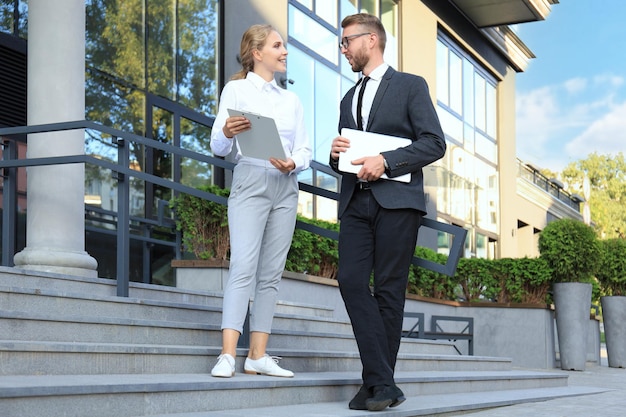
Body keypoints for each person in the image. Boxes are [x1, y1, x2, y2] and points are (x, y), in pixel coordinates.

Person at [329, 13, 446, 411]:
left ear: (371, 40)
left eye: (346, 41)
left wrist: (387, 160)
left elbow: (434, 143)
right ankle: (383, 382)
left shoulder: (411, 86)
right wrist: (336, 156)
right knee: (349, 280)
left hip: (398, 202)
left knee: (390, 291)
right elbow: (348, 158)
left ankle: (377, 385)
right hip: (356, 201)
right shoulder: (348, 98)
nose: (343, 49)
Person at [209, 24, 312, 378]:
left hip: (285, 184)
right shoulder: (235, 91)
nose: (284, 52)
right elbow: (218, 147)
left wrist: (293, 162)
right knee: (243, 266)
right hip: (251, 178)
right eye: (278, 46)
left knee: (270, 274)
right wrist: (226, 131)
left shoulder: (291, 100)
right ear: (257, 53)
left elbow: (305, 149)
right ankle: (227, 354)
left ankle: (257, 355)